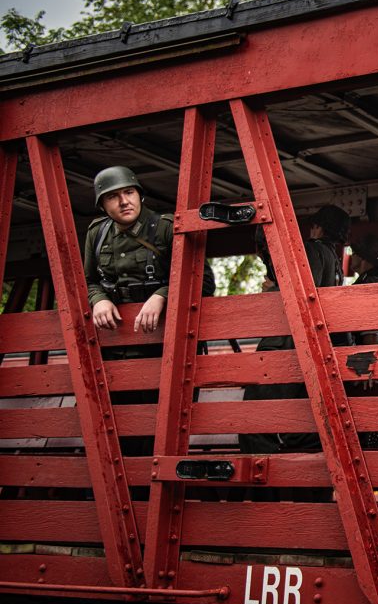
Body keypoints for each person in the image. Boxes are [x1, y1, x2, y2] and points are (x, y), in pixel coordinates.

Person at [83, 165, 216, 458]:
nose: (124, 202)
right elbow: (89, 280)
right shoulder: (97, 233)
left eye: (129, 192)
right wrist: (99, 300)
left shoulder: (166, 227)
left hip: (164, 350)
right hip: (119, 351)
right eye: (113, 197)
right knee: (123, 435)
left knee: (162, 433)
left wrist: (162, 295)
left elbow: (204, 281)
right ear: (103, 205)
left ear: (140, 195)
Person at [239, 205, 351, 456]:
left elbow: (299, 298)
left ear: (317, 227)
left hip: (284, 346)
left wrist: (271, 290)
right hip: (309, 349)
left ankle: (265, 487)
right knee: (294, 425)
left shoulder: (312, 251)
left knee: (252, 419)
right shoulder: (335, 262)